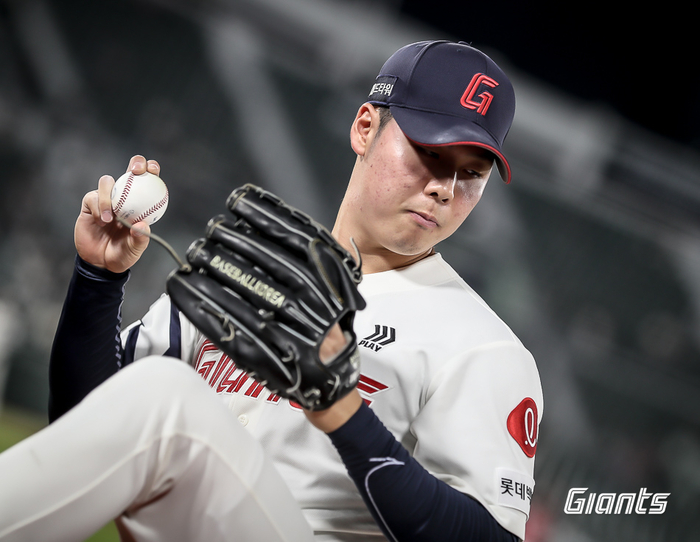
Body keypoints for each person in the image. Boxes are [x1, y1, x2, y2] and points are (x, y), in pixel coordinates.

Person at [1, 40, 543, 541]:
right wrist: (99, 279)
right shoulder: (245, 272)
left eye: (472, 174)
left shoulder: (485, 348)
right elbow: (81, 430)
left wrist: (344, 413)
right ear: (364, 128)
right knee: (160, 396)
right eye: (430, 153)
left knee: (168, 395)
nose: (444, 188)